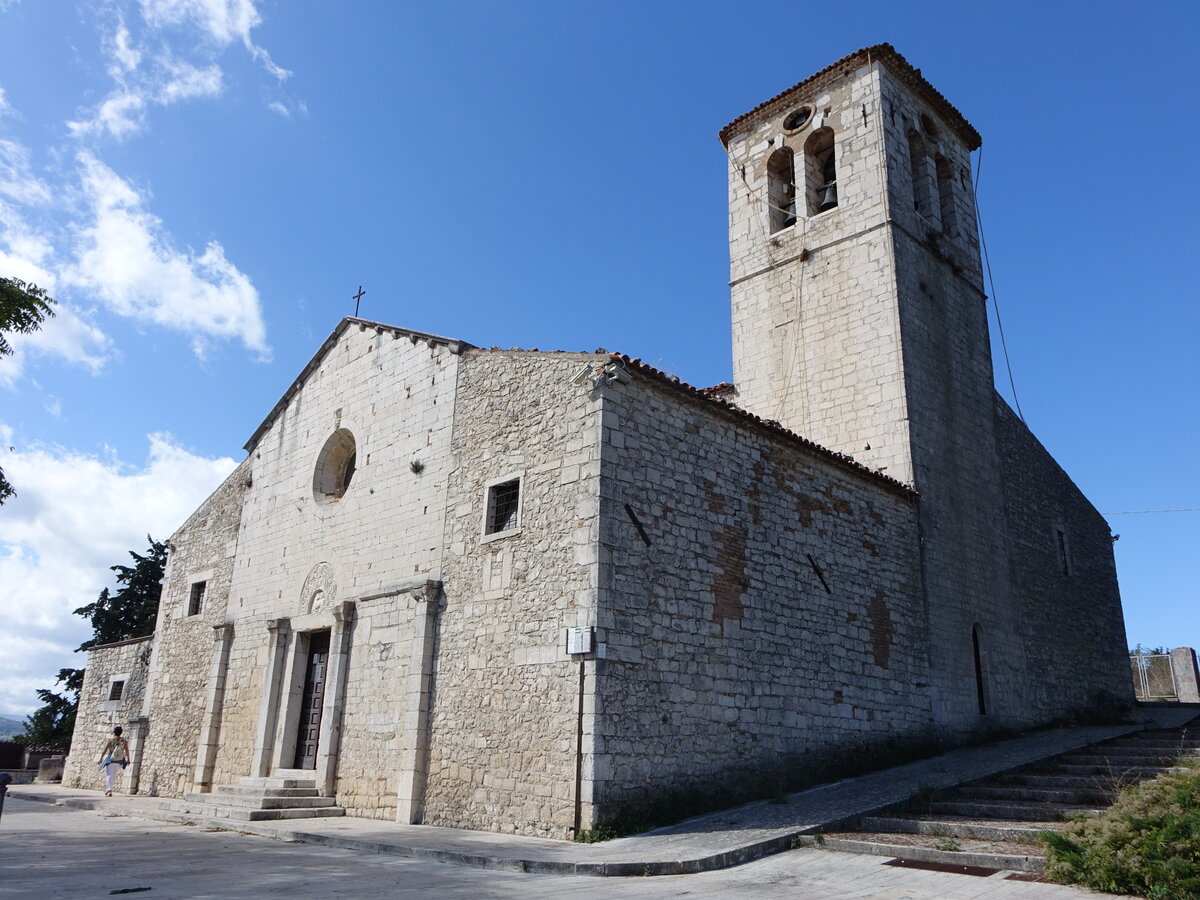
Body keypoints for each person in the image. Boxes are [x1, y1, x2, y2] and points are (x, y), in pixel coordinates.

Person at [96, 726, 129, 797]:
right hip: (119, 761)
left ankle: (109, 790)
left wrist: (101, 759)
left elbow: (104, 751)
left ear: (114, 732)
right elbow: (126, 750)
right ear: (121, 733)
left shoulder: (111, 741)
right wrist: (128, 759)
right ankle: (108, 789)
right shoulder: (124, 741)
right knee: (113, 775)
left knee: (109, 775)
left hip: (111, 760)